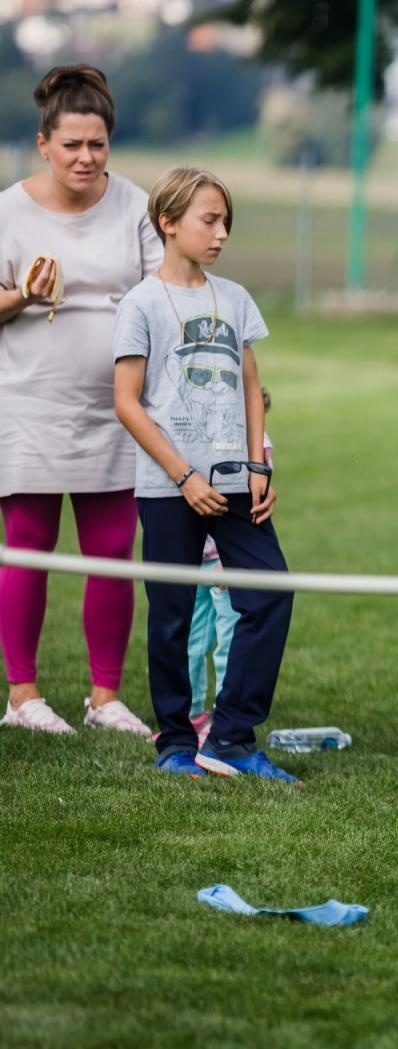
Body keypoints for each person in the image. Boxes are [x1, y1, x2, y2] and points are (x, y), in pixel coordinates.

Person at [112, 166, 296, 782]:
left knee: (270, 592)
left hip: (237, 483)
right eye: (209, 221)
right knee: (171, 613)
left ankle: (232, 736)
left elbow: (250, 384)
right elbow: (127, 403)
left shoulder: (235, 298)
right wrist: (183, 475)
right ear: (168, 222)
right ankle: (174, 742)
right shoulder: (141, 303)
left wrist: (257, 463)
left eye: (226, 223)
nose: (221, 234)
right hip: (170, 487)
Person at [0, 64, 161, 739]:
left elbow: (163, 298)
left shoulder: (136, 207)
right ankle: (22, 696)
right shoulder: (9, 210)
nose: (86, 158)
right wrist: (25, 295)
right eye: (71, 144)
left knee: (112, 551)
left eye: (98, 144)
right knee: (29, 546)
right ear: (44, 144)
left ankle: (105, 697)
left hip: (116, 412)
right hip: (29, 407)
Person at [184, 388, 273, 749]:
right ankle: (191, 714)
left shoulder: (257, 448)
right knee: (192, 640)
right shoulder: (195, 436)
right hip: (195, 560)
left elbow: (255, 500)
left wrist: (229, 559)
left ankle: (223, 716)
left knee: (227, 643)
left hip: (224, 562)